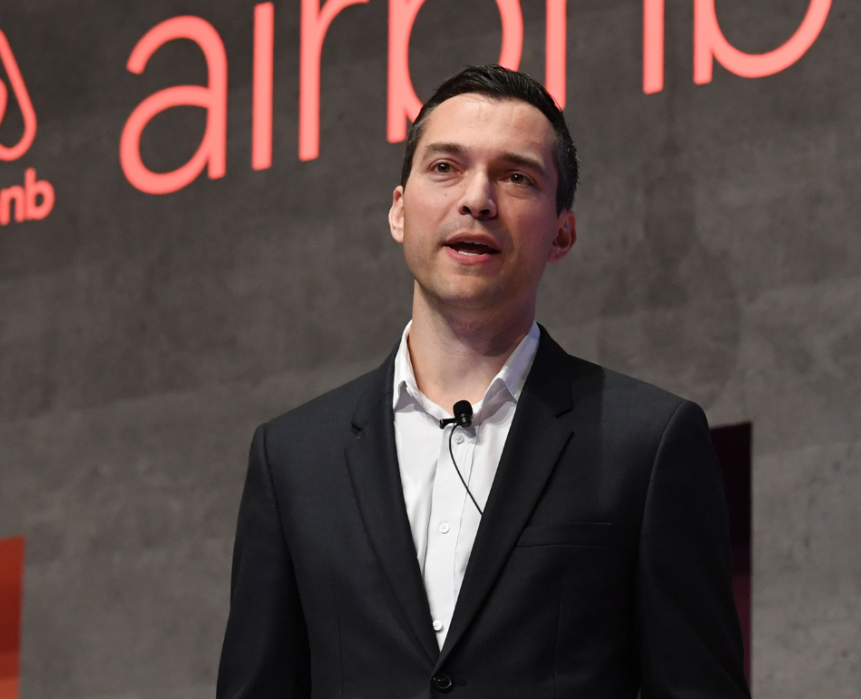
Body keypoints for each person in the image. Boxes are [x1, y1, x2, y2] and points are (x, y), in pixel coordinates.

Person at [217, 65, 750, 698]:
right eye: (445, 167)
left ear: (562, 232)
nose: (477, 198)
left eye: (517, 176)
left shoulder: (647, 441)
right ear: (398, 210)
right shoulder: (294, 457)